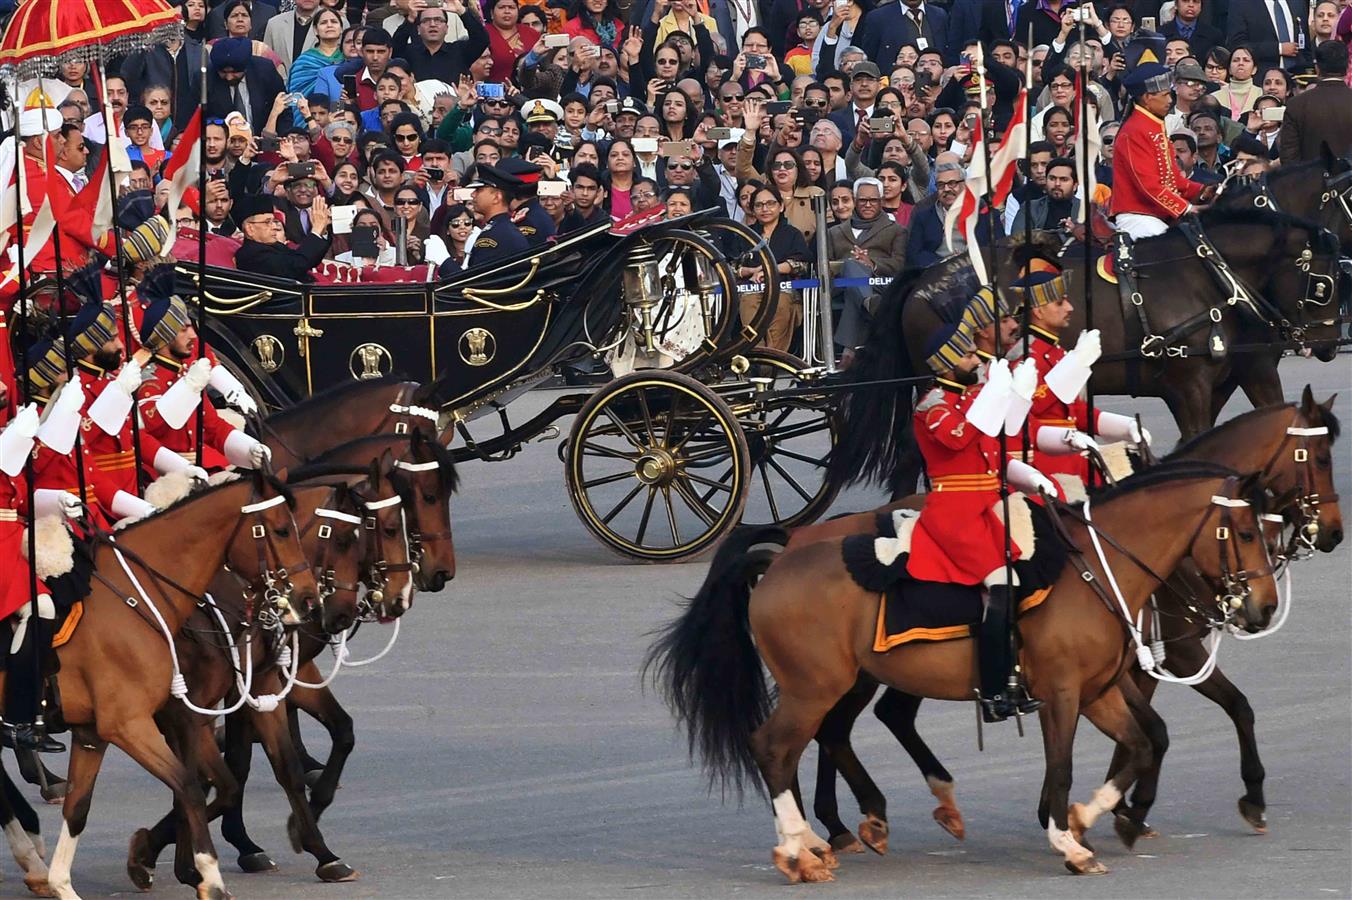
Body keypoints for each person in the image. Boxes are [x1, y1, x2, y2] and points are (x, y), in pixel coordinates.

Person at [908, 323, 1052, 724]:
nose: (976, 359)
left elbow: (998, 447)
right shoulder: (932, 404)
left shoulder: (968, 399)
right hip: (953, 513)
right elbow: (956, 439)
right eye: (968, 355)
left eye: (974, 353)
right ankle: (993, 690)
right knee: (1002, 586)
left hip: (986, 505)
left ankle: (1017, 674)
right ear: (945, 364)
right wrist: (989, 396)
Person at [1110, 63, 1213, 240]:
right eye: (1164, 95)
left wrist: (1204, 191)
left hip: (1157, 214)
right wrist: (1186, 208)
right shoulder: (1134, 130)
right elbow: (1147, 185)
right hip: (1137, 216)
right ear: (1147, 97)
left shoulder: (1153, 125)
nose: (1170, 101)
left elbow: (1173, 180)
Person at [827, 177, 906, 360]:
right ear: (855, 201)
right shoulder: (834, 233)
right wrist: (848, 266)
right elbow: (825, 266)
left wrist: (872, 264)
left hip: (880, 285)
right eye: (863, 200)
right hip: (841, 286)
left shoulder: (896, 230)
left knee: (856, 296)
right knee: (850, 264)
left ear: (881, 201)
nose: (868, 204)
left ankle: (849, 352)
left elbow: (900, 264)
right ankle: (869, 303)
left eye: (873, 200)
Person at [738, 183, 811, 352]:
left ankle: (771, 362)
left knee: (781, 305)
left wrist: (770, 270)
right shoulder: (744, 234)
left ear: (781, 206)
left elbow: (801, 264)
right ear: (753, 209)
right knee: (749, 305)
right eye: (759, 205)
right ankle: (758, 358)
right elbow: (732, 266)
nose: (765, 209)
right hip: (751, 290)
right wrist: (752, 271)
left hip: (783, 289)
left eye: (770, 203)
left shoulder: (792, 234)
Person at [440, 163, 530, 276]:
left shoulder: (495, 236)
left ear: (497, 197)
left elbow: (472, 283)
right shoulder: (500, 228)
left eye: (479, 190)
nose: (472, 195)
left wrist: (444, 261)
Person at [1279, 40, 1352, 161]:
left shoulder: (1297, 105)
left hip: (1309, 179)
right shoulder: (1297, 105)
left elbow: (1289, 160)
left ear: (1317, 69)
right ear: (1347, 67)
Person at [233, 193, 332, 280]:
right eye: (267, 222)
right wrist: (316, 229)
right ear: (250, 229)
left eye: (274, 221)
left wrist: (322, 229)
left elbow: (309, 260)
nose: (274, 227)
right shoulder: (250, 254)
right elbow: (296, 265)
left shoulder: (275, 246)